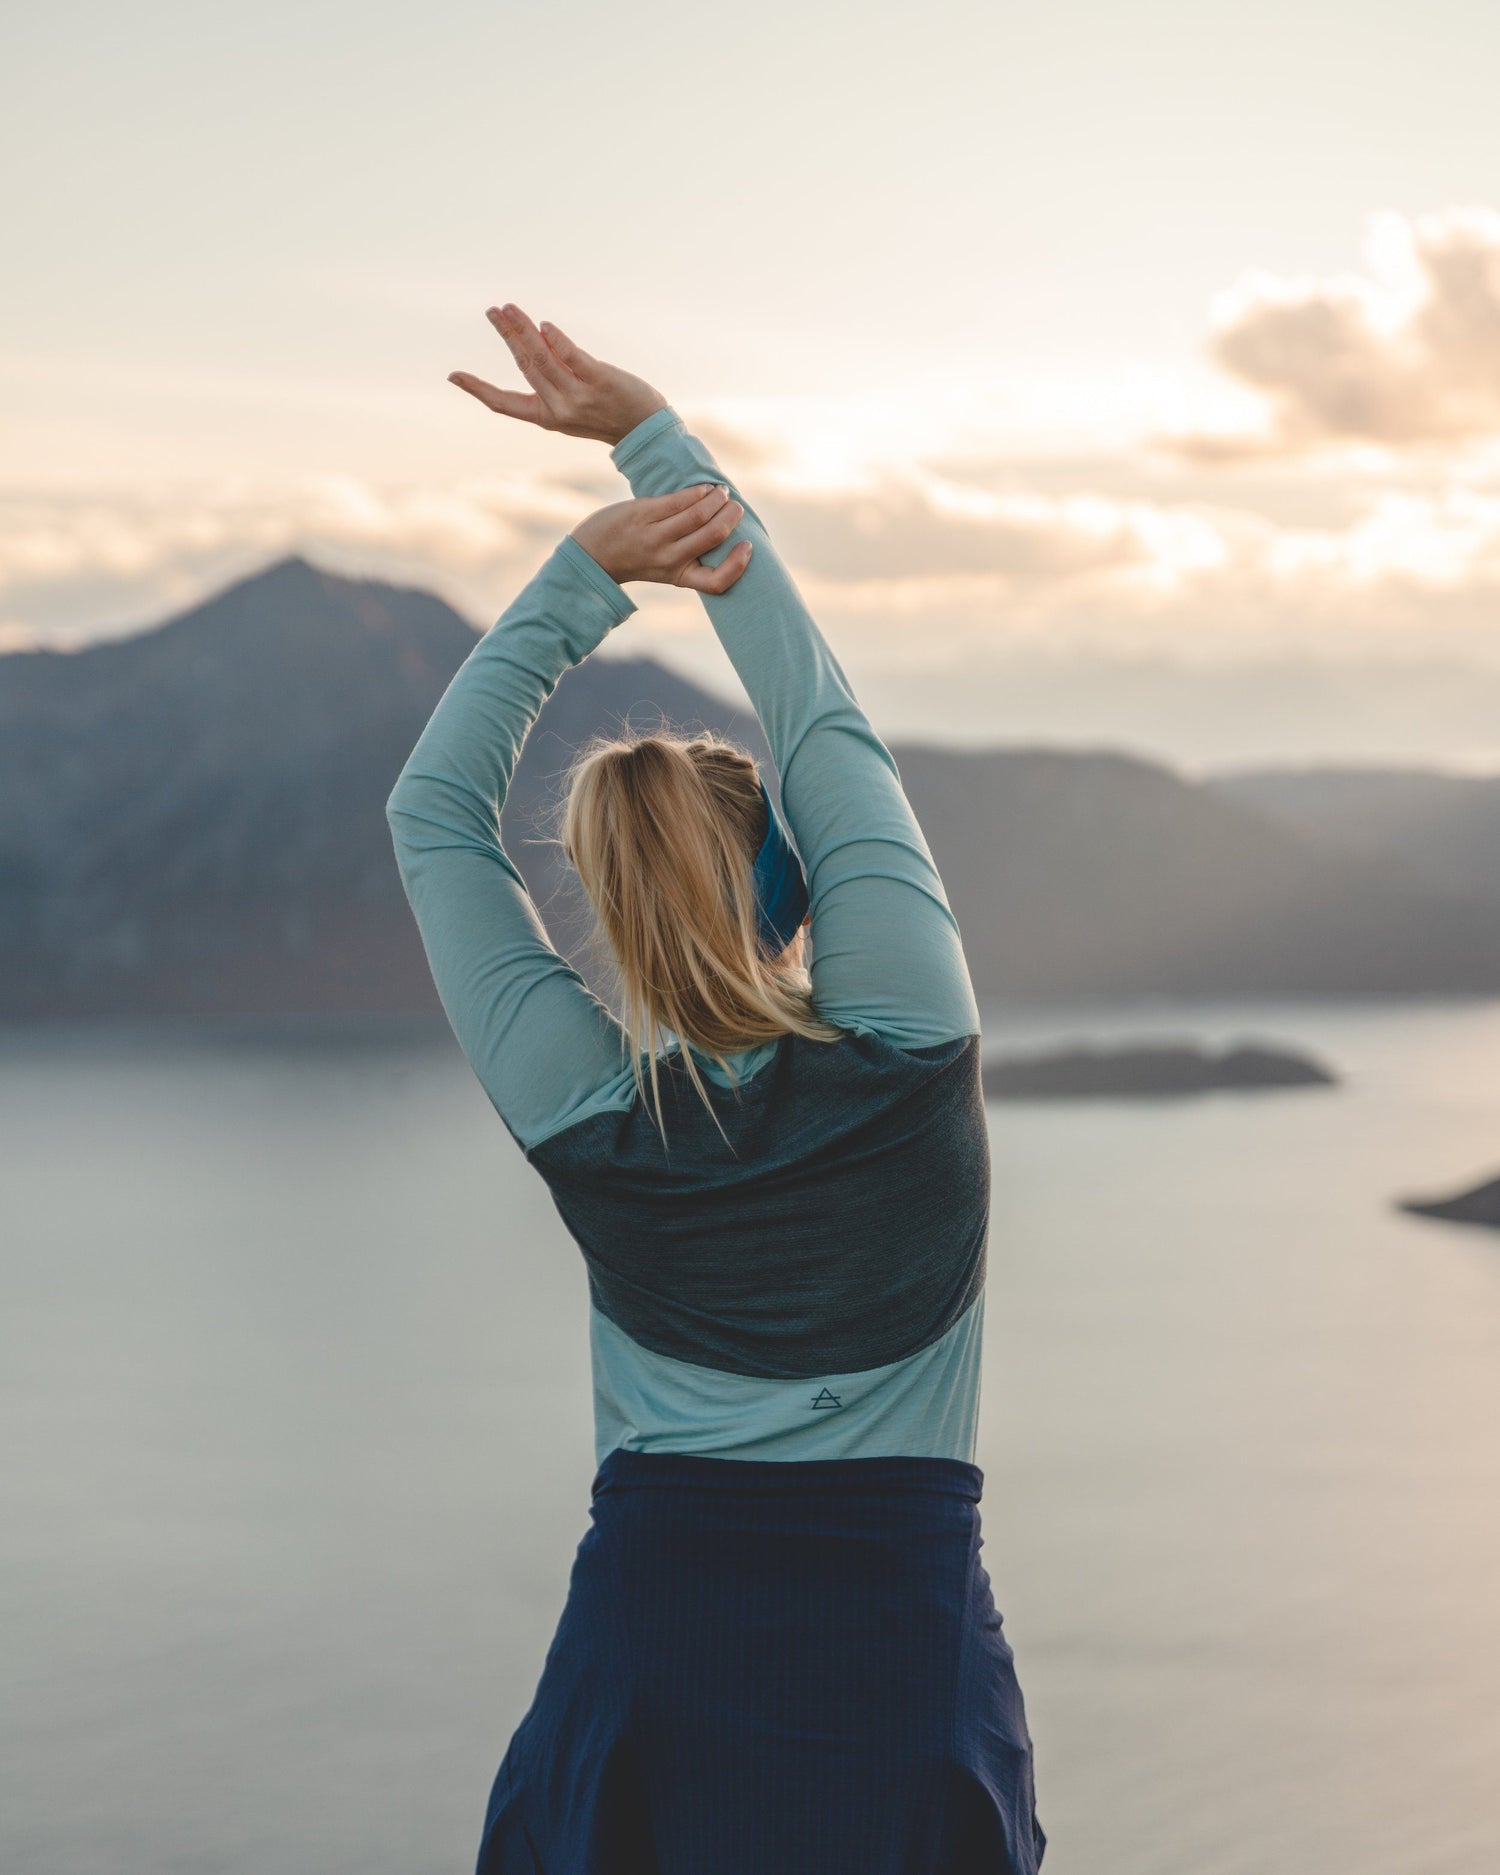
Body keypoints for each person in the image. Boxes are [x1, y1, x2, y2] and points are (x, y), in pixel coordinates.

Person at [384, 303, 1047, 1875]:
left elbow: (432, 815)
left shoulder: (588, 1110)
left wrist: (585, 575)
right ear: (802, 888)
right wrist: (658, 446)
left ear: (610, 912)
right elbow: (826, 722)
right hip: (895, 1648)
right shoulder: (907, 1049)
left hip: (659, 1643)